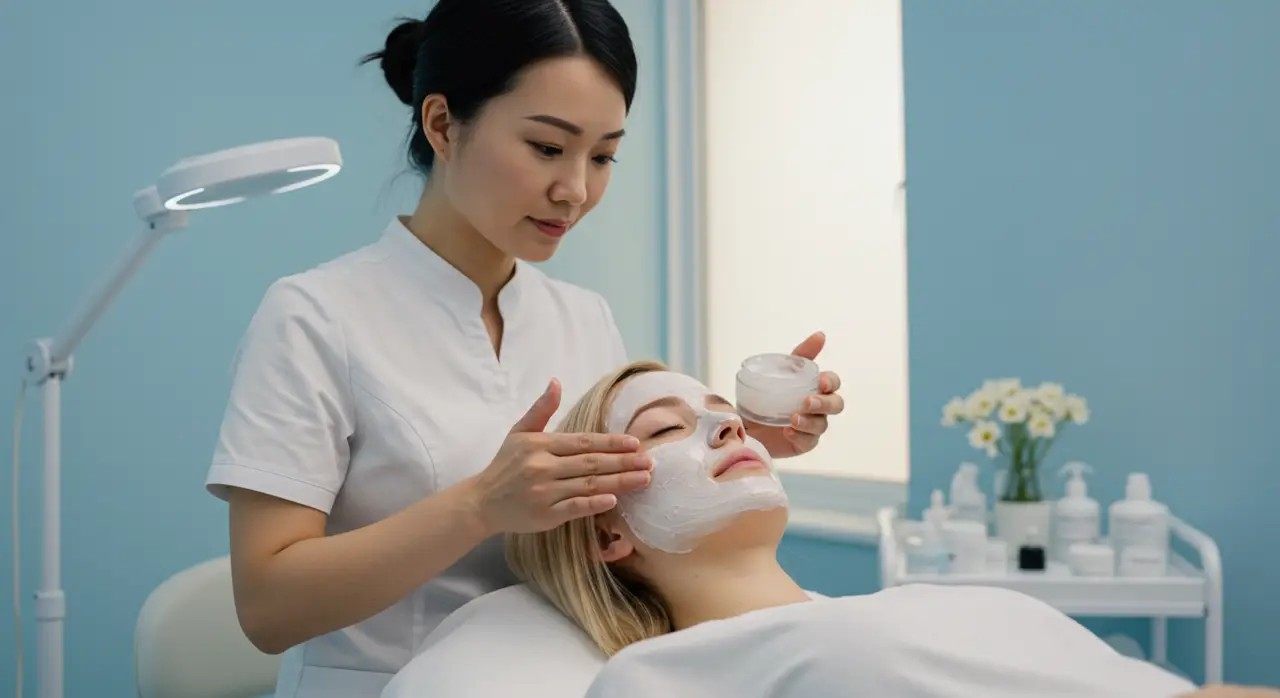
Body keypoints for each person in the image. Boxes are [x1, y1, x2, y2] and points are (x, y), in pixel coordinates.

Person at [202, 2, 845, 697]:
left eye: (602, 156)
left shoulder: (583, 319)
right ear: (443, 124)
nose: (575, 190)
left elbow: (613, 518)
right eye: (546, 147)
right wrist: (479, 505)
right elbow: (267, 608)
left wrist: (741, 443)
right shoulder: (315, 318)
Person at [506, 360, 1272, 698]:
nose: (724, 425)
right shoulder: (654, 679)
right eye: (666, 427)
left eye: (726, 412)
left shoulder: (905, 606)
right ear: (609, 536)